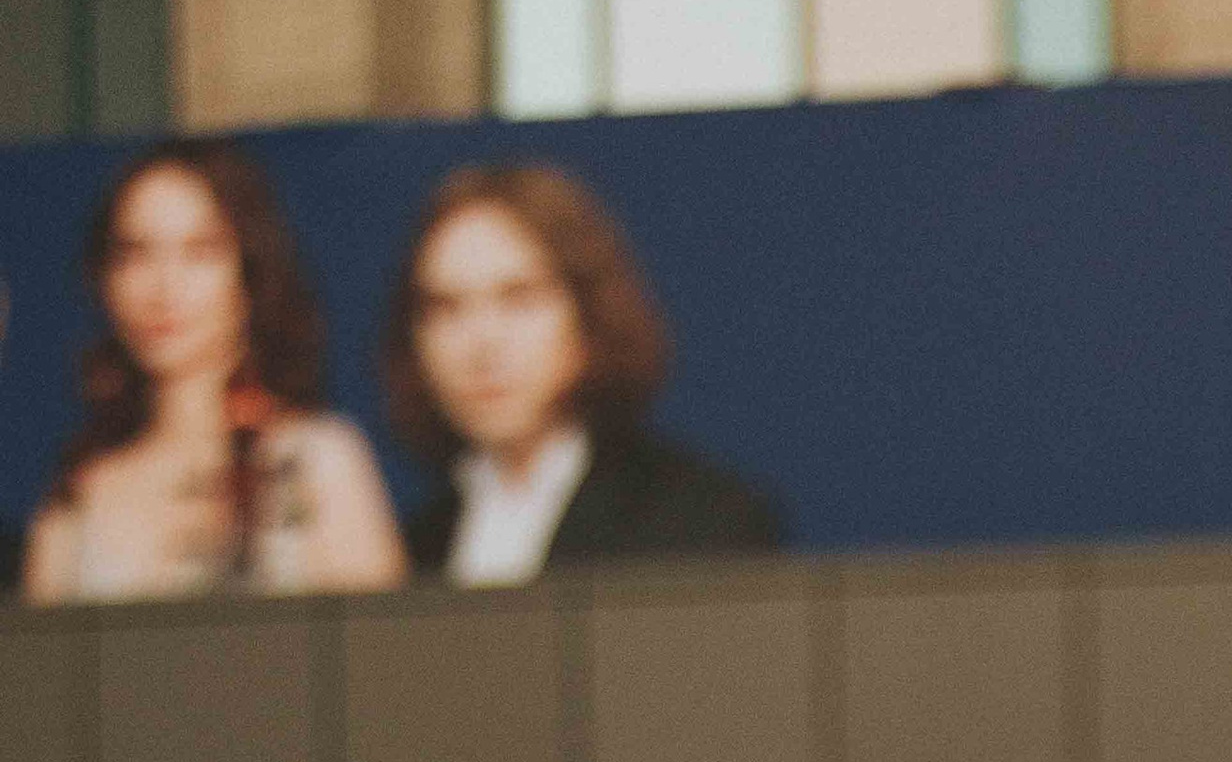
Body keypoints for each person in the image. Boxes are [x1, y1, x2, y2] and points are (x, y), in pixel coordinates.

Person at [23, 144, 402, 603]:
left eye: (200, 251)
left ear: (251, 273)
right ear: (105, 278)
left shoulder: (320, 459)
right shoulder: (79, 493)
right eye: (135, 253)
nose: (163, 287)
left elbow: (379, 642)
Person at [383, 161, 784, 585]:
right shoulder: (418, 547)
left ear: (589, 315)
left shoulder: (702, 523)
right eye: (445, 307)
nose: (481, 342)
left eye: (519, 297)